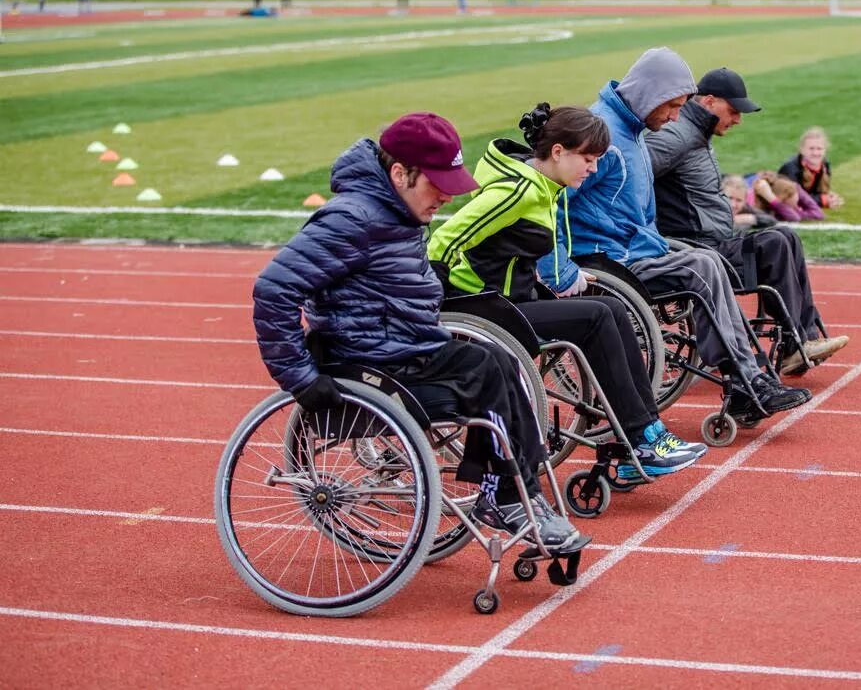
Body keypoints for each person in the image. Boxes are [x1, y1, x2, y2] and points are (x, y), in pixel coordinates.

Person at [252, 112, 581, 548]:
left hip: (406, 350)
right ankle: (506, 494)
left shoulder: (399, 214)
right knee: (487, 373)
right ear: (399, 173)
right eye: (437, 183)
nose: (446, 195)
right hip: (368, 366)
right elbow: (274, 290)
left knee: (503, 362)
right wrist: (300, 378)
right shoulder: (352, 219)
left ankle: (516, 492)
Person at [428, 103, 706, 484]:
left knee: (610, 306)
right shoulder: (518, 190)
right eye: (588, 159)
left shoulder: (546, 187)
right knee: (595, 318)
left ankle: (645, 434)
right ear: (558, 152)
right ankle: (640, 438)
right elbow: (444, 240)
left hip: (515, 300)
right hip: (486, 310)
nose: (592, 169)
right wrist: (437, 301)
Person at [547, 48, 810, 416]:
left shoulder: (633, 129)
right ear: (650, 96)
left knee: (707, 260)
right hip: (607, 259)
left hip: (633, 247)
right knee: (699, 268)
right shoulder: (604, 137)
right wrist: (558, 264)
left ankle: (748, 378)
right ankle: (743, 382)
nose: (675, 117)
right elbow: (552, 200)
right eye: (671, 106)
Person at [648, 67, 848, 377]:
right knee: (777, 242)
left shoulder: (695, 133)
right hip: (696, 249)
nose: (738, 119)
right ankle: (796, 343)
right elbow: (634, 176)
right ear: (709, 101)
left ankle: (803, 338)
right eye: (733, 111)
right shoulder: (677, 136)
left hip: (713, 240)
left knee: (786, 236)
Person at [778, 128, 844, 209]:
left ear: (825, 151)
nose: (815, 153)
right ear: (802, 150)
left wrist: (829, 197)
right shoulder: (790, 169)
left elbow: (816, 192)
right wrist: (822, 200)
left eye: (819, 148)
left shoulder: (825, 166)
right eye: (811, 148)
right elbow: (795, 199)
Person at [746, 172, 824, 223]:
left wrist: (796, 188)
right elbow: (794, 218)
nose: (798, 207)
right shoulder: (770, 210)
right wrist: (772, 200)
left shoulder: (792, 189)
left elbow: (818, 214)